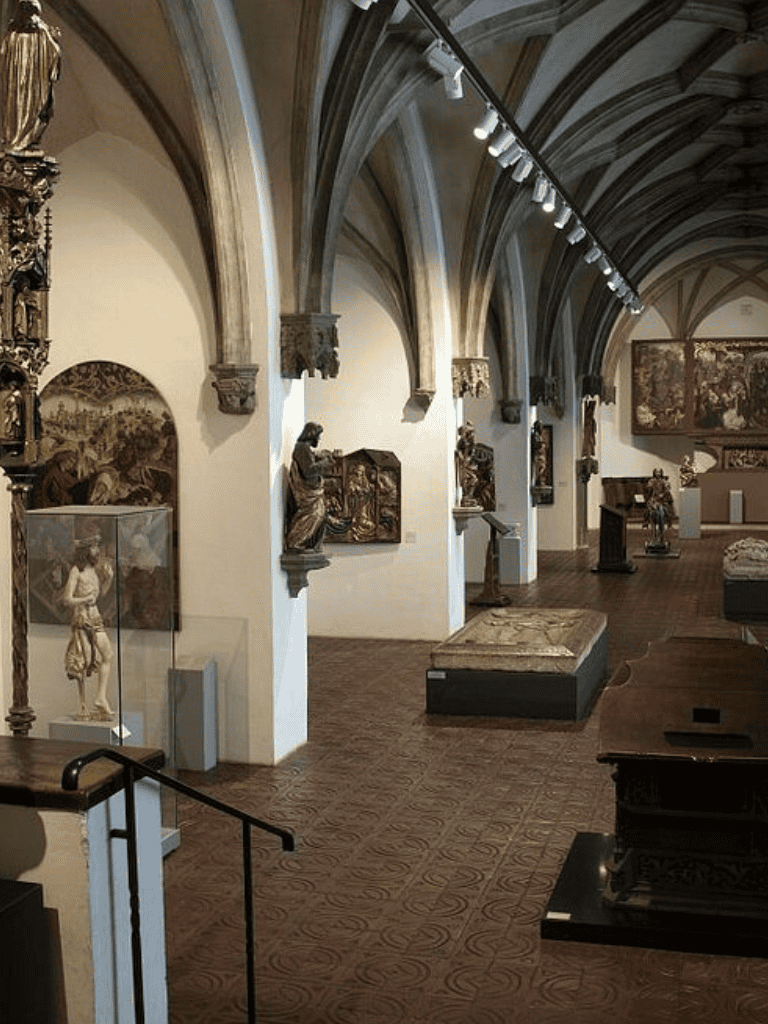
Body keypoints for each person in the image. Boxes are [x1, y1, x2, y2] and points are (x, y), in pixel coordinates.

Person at [62, 532, 114, 720]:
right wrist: (84, 599)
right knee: (83, 661)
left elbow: (100, 594)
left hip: (95, 615)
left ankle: (100, 697)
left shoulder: (94, 569)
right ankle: (82, 704)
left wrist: (108, 578)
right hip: (82, 618)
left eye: (97, 547)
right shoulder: (76, 571)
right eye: (94, 548)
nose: (97, 551)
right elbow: (67, 599)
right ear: (86, 551)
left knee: (107, 654)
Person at [0, 0, 61, 152]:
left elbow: (2, 57)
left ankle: (13, 138)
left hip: (13, 88)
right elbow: (54, 54)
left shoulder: (11, 33)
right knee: (34, 110)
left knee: (13, 111)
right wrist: (55, 39)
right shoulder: (41, 31)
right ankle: (24, 138)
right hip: (34, 88)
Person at [285, 422, 334, 551]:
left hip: (312, 492)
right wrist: (324, 463)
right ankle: (296, 541)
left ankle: (311, 544)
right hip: (307, 493)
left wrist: (318, 457)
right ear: (312, 435)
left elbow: (309, 464)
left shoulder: (305, 449)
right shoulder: (301, 448)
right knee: (315, 515)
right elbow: (308, 471)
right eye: (318, 436)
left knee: (320, 514)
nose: (319, 439)